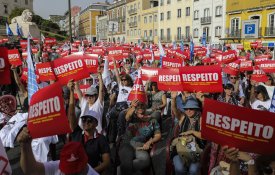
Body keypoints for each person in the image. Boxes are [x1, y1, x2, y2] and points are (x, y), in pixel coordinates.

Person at [67, 80, 111, 174]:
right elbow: (71, 115)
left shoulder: (101, 139)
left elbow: (106, 162)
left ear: (96, 123)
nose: (86, 122)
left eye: (90, 120)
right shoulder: (77, 133)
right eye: (84, 120)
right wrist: (71, 92)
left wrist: (90, 172)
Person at [17, 127, 98, 175]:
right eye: (68, 173)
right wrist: (25, 146)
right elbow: (31, 171)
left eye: (75, 173)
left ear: (84, 167)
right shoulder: (57, 167)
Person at [118, 99, 161, 175]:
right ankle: (124, 170)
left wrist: (149, 142)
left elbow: (158, 135)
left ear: (146, 107)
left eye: (142, 105)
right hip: (127, 144)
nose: (140, 107)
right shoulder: (132, 117)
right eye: (138, 106)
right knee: (127, 161)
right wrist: (132, 107)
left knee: (145, 160)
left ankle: (121, 169)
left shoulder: (152, 120)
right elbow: (127, 117)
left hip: (140, 146)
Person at [171, 92, 205, 175]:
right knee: (179, 168)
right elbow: (175, 109)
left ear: (196, 109)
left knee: (193, 171)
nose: (188, 111)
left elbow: (204, 136)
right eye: (186, 109)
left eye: (191, 108)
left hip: (196, 151)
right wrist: (173, 99)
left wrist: (192, 132)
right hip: (181, 149)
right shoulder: (182, 117)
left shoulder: (201, 118)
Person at [75, 68, 104, 133]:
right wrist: (75, 75)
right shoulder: (84, 104)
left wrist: (100, 78)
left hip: (96, 135)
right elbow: (77, 89)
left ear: (96, 96)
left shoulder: (98, 105)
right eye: (88, 95)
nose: (89, 97)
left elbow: (101, 90)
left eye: (92, 95)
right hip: (85, 134)